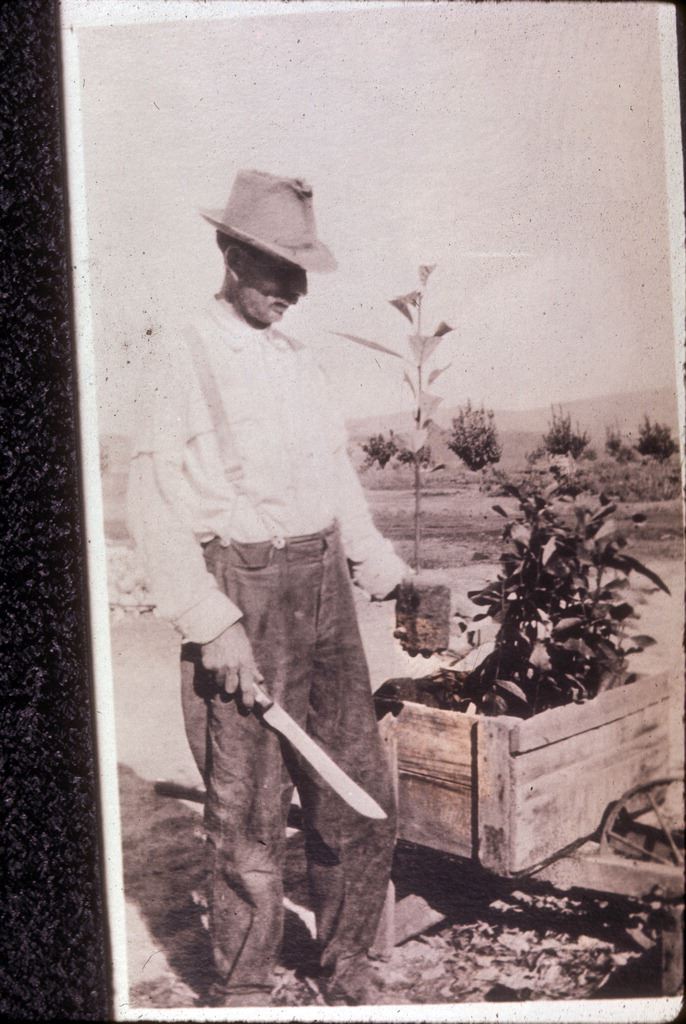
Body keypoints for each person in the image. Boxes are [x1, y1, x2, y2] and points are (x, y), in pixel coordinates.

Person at [127, 169, 413, 1007]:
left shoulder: (297, 359)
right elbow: (151, 498)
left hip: (321, 582)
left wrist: (373, 558)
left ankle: (347, 963)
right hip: (237, 588)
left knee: (357, 789)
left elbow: (334, 477)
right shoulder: (180, 351)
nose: (292, 290)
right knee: (246, 809)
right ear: (228, 252)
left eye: (300, 272)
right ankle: (247, 986)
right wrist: (211, 622)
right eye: (275, 269)